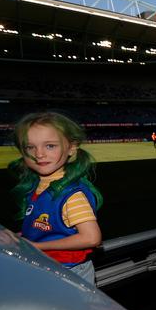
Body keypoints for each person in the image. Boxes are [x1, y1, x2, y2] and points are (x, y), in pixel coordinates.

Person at [8, 111, 103, 286]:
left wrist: (37, 247)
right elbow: (45, 228)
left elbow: (91, 238)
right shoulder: (38, 186)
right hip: (47, 266)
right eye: (30, 147)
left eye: (50, 146)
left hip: (69, 271)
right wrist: (20, 237)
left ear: (71, 148)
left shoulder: (71, 195)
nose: (39, 154)